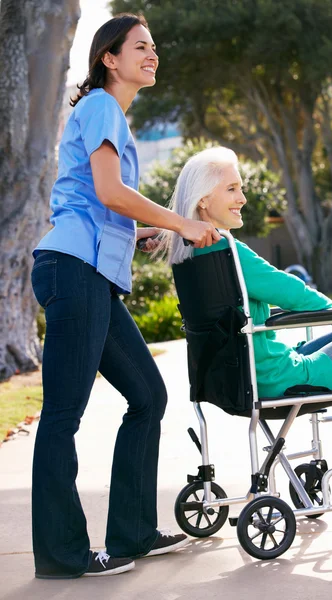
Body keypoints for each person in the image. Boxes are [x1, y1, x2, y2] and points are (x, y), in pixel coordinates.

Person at [31, 14, 220, 579]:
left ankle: (132, 533)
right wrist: (183, 224)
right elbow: (113, 192)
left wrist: (137, 231)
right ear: (109, 58)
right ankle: (61, 554)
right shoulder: (101, 106)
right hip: (73, 270)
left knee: (148, 395)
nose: (153, 54)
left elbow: (98, 199)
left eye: (155, 47)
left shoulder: (105, 114)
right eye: (141, 46)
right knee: (63, 415)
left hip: (88, 274)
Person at [163, 146, 332, 493]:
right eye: (231, 189)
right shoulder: (229, 252)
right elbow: (291, 290)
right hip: (277, 380)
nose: (242, 198)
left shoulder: (189, 258)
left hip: (236, 381)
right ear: (202, 201)